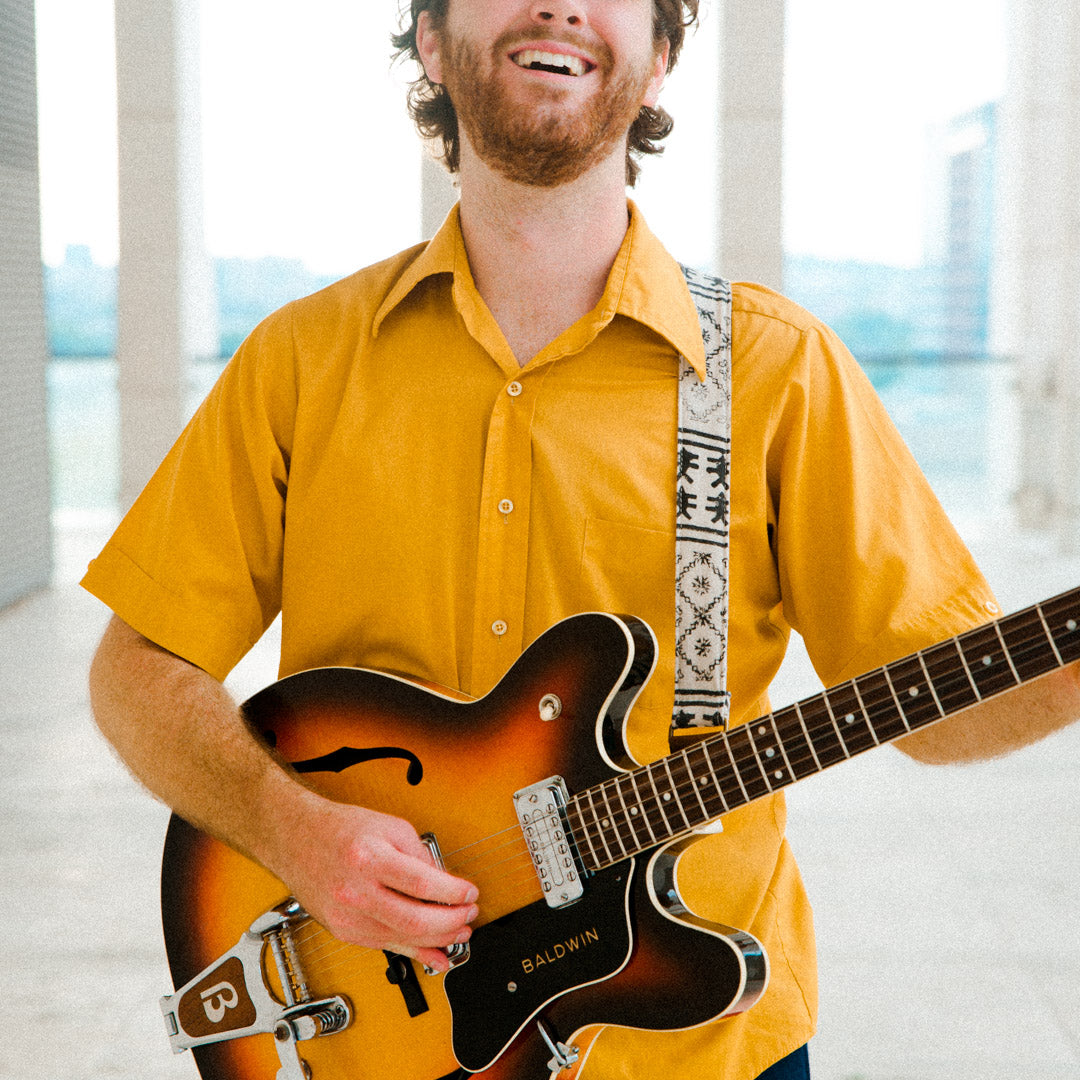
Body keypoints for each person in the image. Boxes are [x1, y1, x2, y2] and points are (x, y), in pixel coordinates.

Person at [83, 2, 1080, 1079]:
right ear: (429, 38)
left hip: (699, 1047)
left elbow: (936, 707)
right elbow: (137, 667)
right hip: (374, 1039)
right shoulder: (298, 365)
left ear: (660, 60)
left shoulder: (777, 375)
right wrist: (289, 830)